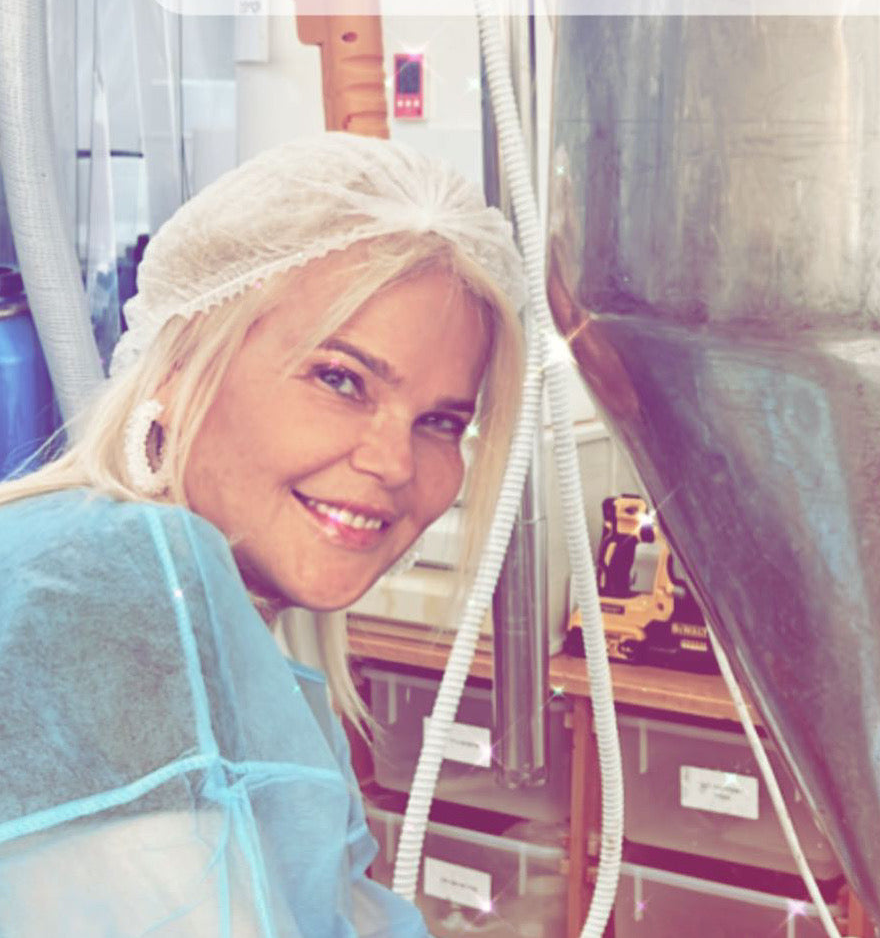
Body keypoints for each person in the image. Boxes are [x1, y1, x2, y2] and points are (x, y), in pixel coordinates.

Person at [0, 133, 526, 936]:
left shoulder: (192, 606)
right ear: (182, 362)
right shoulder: (108, 591)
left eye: (441, 421)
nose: (394, 462)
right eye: (340, 379)